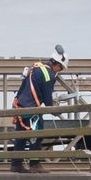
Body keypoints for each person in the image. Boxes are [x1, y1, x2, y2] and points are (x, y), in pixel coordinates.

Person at [10, 45, 68, 173]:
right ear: (57, 64)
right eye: (61, 68)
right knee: (38, 134)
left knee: (20, 136)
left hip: (19, 107)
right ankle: (34, 164)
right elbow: (48, 101)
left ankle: (16, 164)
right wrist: (57, 111)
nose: (60, 71)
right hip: (32, 110)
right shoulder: (49, 75)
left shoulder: (35, 68)